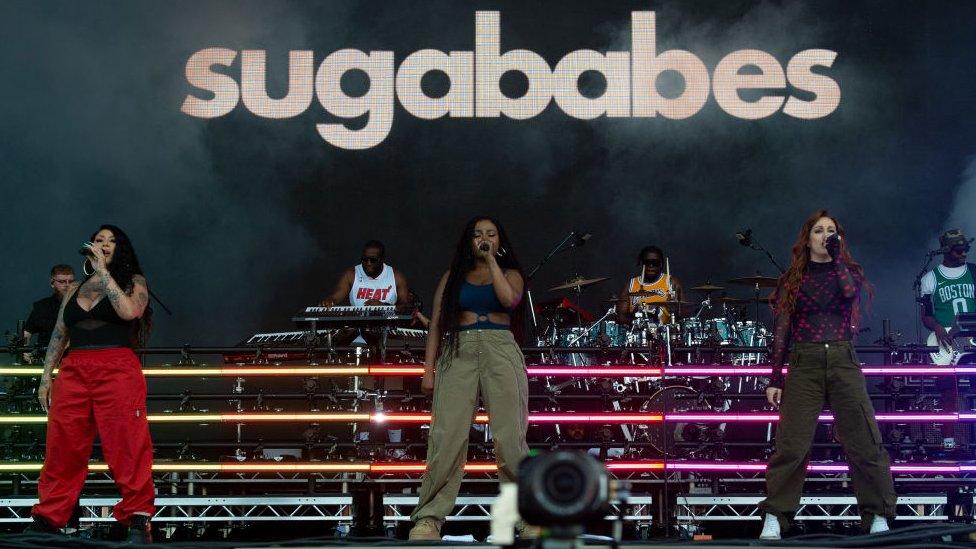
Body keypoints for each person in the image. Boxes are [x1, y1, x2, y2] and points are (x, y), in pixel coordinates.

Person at [758, 210, 895, 540]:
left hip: (842, 359)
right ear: (807, 238)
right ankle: (776, 514)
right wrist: (775, 376)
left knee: (864, 439)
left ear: (839, 238)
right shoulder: (793, 279)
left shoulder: (844, 273)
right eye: (818, 231)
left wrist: (836, 258)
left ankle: (876, 514)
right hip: (804, 361)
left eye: (830, 231)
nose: (824, 236)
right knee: (791, 444)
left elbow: (849, 295)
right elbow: (782, 329)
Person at [26, 225, 154, 543]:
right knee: (63, 445)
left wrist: (104, 273)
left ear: (120, 248)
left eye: (111, 241)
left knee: (126, 443)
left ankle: (136, 516)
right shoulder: (74, 289)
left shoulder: (133, 283)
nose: (104, 244)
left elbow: (129, 311)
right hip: (75, 368)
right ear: (90, 245)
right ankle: (49, 516)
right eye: (99, 240)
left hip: (117, 367)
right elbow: (59, 333)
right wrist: (46, 378)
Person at [408, 216, 530, 540]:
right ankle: (429, 518)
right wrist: (428, 371)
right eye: (478, 235)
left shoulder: (510, 274)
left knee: (510, 438)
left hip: (500, 349)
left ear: (499, 241)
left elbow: (509, 301)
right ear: (468, 241)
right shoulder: (452, 277)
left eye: (491, 234)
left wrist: (492, 260)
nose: (484, 239)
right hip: (458, 349)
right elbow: (435, 324)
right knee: (446, 437)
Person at [919, 228, 975, 451]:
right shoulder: (930, 278)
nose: (963, 254)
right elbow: (925, 316)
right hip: (945, 341)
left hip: (972, 338)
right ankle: (949, 441)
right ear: (946, 251)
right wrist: (938, 327)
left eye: (965, 249)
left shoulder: (973, 272)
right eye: (959, 250)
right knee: (948, 392)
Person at [320, 240, 410, 307]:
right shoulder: (351, 274)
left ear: (382, 259)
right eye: (365, 259)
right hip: (357, 326)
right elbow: (336, 296)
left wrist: (384, 306)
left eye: (373, 260)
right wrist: (330, 301)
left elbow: (405, 307)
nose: (368, 263)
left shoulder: (396, 276)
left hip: (386, 327)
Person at [22, 265, 76, 363]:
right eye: (62, 282)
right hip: (46, 360)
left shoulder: (83, 305)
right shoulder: (42, 306)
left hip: (75, 361)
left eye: (71, 281)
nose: (67, 285)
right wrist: (25, 351)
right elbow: (27, 332)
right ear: (52, 283)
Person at [616, 245, 683, 324]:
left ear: (661, 264)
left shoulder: (671, 282)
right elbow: (621, 317)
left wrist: (676, 308)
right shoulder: (630, 285)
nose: (651, 266)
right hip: (637, 332)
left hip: (665, 333)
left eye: (655, 263)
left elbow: (685, 312)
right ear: (641, 264)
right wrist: (635, 319)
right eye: (647, 263)